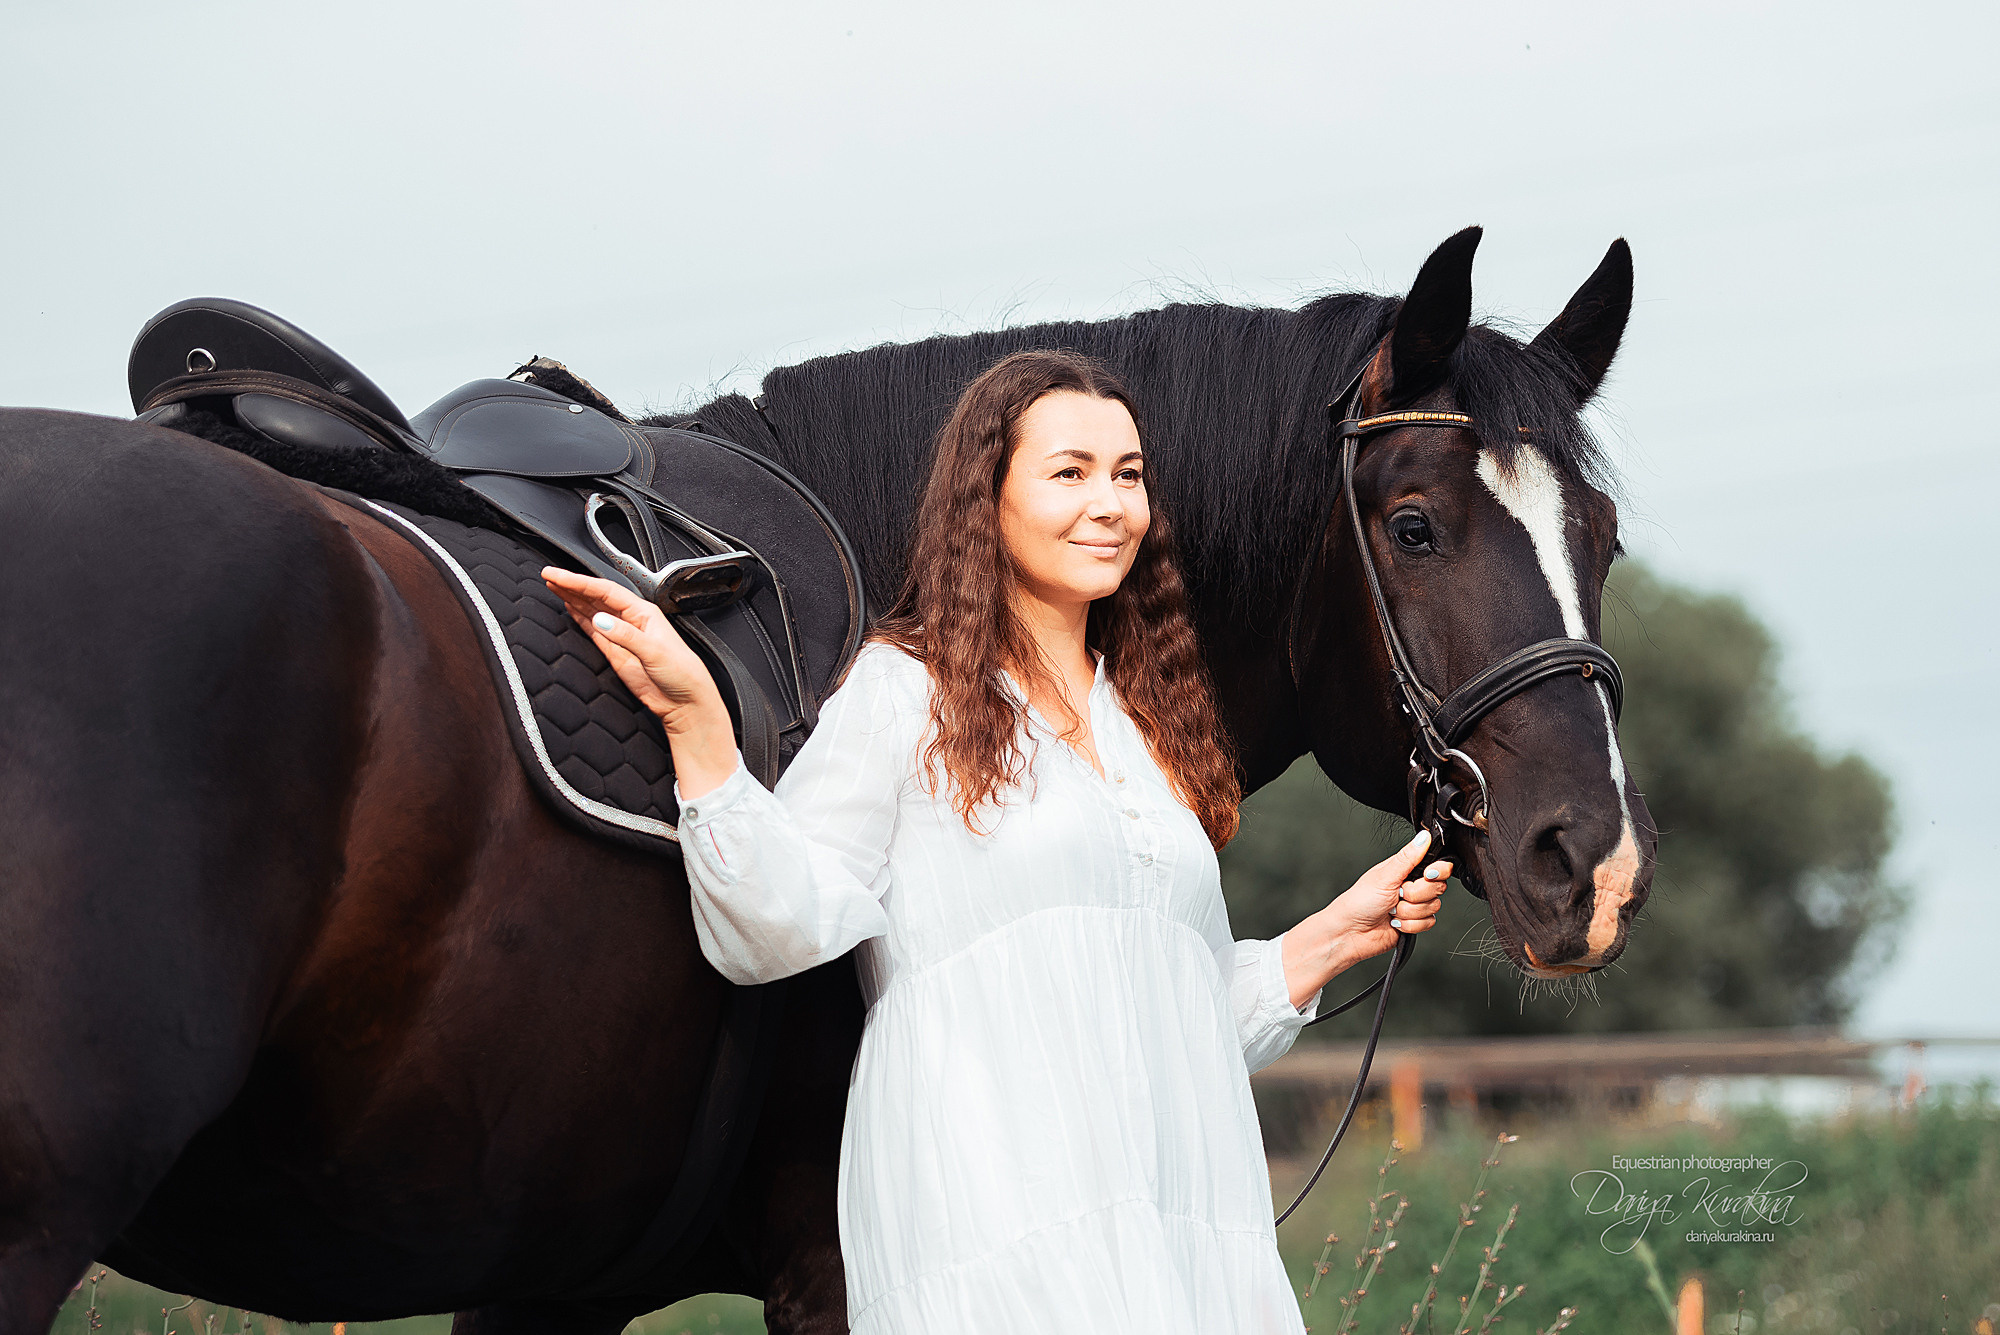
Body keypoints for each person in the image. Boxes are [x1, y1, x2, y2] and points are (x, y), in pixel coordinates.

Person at [542, 350, 1449, 1334]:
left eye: (1128, 475)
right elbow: (776, 923)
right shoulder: (904, 693)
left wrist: (1326, 940)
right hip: (991, 1237)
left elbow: (1164, 1027)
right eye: (1069, 472)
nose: (1109, 503)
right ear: (986, 499)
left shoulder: (1147, 729)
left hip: (1173, 1246)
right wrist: (698, 734)